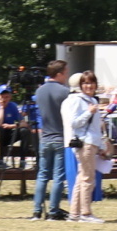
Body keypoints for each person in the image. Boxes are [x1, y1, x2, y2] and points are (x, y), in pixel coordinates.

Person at [65, 72, 111, 221]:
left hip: (91, 142)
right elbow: (74, 122)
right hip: (85, 143)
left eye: (91, 83)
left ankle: (74, 213)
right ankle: (86, 213)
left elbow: (96, 127)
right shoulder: (79, 100)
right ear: (80, 86)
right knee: (88, 179)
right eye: (85, 83)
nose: (88, 86)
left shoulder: (91, 100)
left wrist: (102, 144)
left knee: (81, 178)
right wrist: (88, 112)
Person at [29, 60, 71, 220]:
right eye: (65, 72)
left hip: (45, 137)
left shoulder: (39, 91)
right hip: (60, 137)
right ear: (59, 73)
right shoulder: (65, 92)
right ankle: (53, 210)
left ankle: (36, 210)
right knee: (59, 176)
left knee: (42, 175)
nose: (66, 76)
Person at [0, 84, 23, 167]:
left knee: (24, 131)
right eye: (2, 96)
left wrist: (11, 126)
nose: (4, 99)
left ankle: (23, 160)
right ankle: (0, 160)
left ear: (10, 97)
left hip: (10, 132)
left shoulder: (13, 106)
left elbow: (23, 123)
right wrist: (1, 107)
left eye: (7, 97)